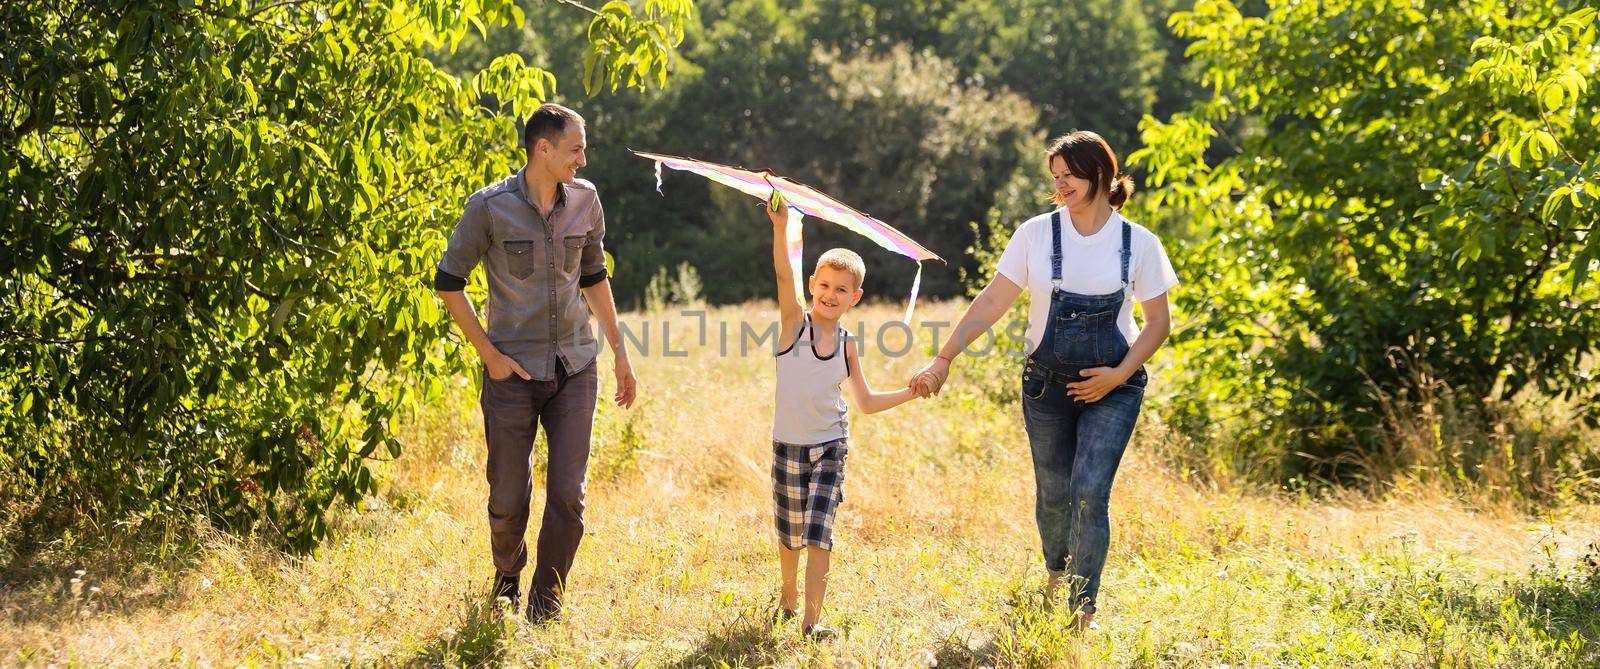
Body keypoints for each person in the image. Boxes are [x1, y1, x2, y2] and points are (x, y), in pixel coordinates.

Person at [911, 131, 1177, 629]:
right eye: (1055, 177)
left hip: (1113, 389)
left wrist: (1118, 374)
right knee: (1054, 494)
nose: (1060, 185)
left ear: (1099, 173)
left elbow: (1159, 323)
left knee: (1090, 491)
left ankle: (1083, 610)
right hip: (1046, 386)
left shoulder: (1138, 244)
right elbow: (992, 300)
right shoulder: (1036, 234)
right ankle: (1056, 569)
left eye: (1069, 175)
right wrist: (943, 358)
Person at [433, 103, 637, 623]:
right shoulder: (490, 208)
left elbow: (594, 276)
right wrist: (489, 355)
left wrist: (619, 351)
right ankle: (506, 574)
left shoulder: (586, 202)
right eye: (575, 149)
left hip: (575, 367)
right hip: (513, 375)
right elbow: (448, 282)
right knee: (507, 496)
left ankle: (545, 605)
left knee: (569, 495)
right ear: (542, 149)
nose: (583, 160)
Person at [765, 193, 920, 639]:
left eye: (841, 289)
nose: (831, 295)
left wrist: (910, 392)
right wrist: (781, 229)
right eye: (825, 285)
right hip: (788, 444)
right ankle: (788, 595)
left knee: (818, 531)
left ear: (856, 296)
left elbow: (866, 402)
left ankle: (812, 623)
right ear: (813, 283)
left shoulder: (849, 343)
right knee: (790, 530)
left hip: (830, 445)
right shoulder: (794, 324)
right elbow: (781, 273)